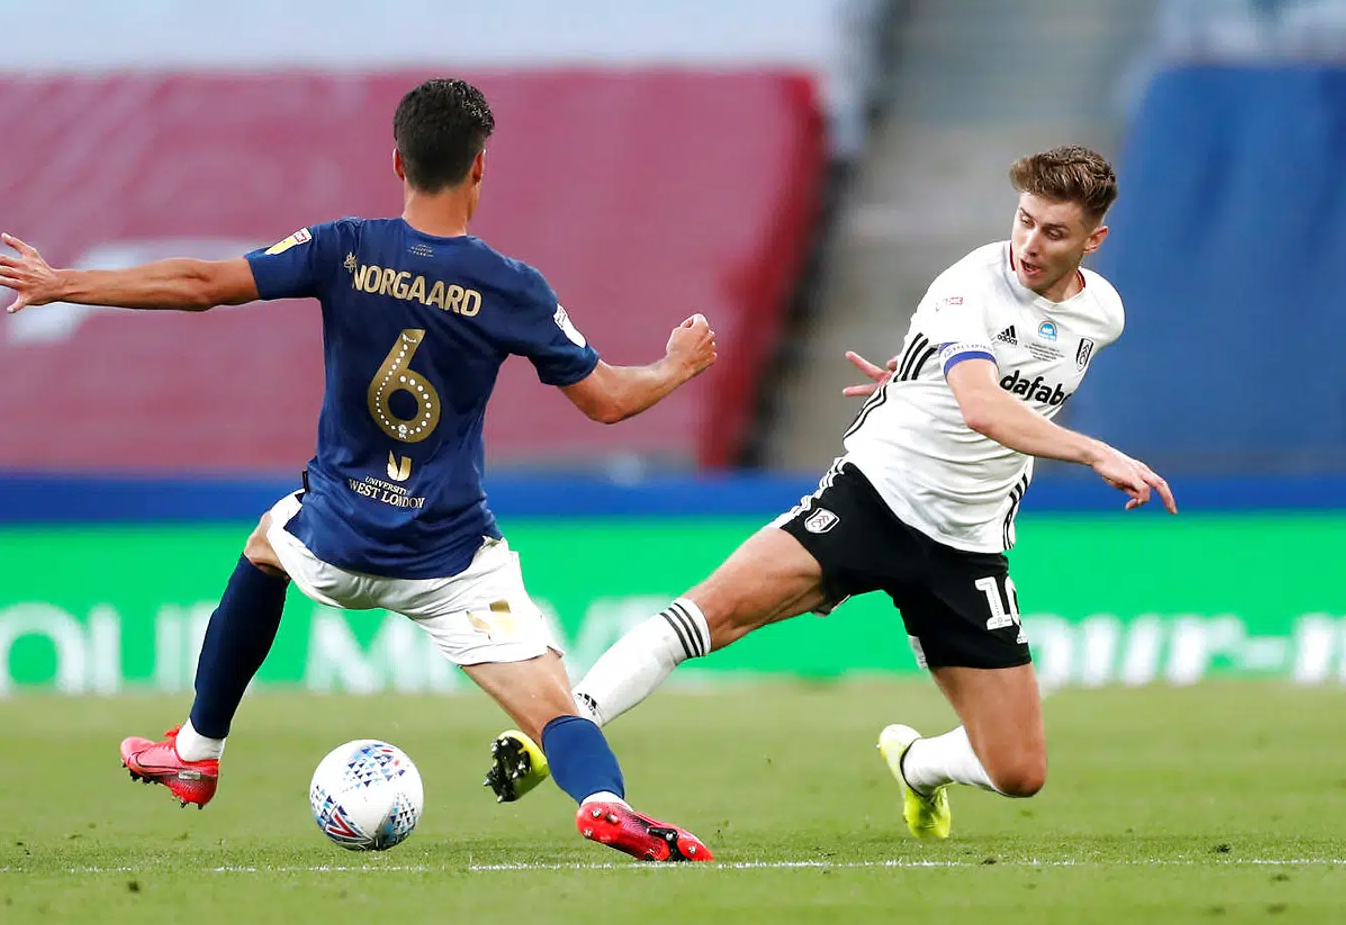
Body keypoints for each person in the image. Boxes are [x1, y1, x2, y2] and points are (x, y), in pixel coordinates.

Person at [0, 77, 717, 862]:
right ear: (480, 166)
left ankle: (197, 750)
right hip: (450, 559)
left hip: (335, 538)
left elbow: (201, 285)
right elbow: (607, 401)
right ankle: (603, 801)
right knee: (556, 711)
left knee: (267, 545)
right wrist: (675, 365)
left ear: (397, 161)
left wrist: (62, 284)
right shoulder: (513, 287)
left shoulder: (343, 247)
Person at [482, 145, 1176, 840]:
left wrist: (914, 371)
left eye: (1054, 232)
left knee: (1020, 771)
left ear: (1093, 241)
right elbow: (982, 406)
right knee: (707, 614)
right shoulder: (971, 283)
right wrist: (1096, 452)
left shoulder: (1103, 314)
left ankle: (917, 765)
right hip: (873, 498)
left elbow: (1009, 370)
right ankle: (564, 731)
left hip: (967, 543)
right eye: (1024, 220)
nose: (1029, 243)